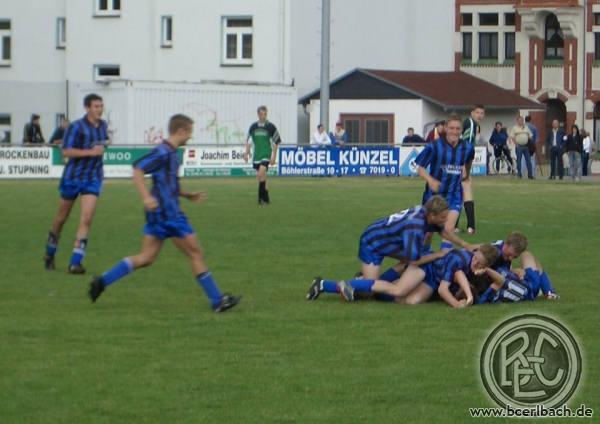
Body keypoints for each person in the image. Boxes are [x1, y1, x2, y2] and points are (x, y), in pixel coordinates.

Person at [88, 115, 240, 312]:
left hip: (158, 214)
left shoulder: (172, 154)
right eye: (189, 133)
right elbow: (137, 169)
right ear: (181, 131)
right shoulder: (163, 151)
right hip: (170, 214)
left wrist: (186, 195)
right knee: (195, 253)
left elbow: (167, 184)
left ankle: (102, 280)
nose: (190, 138)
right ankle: (217, 301)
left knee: (146, 258)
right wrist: (145, 197)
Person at [305, 196, 476, 302]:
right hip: (373, 243)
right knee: (368, 293)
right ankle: (322, 284)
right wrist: (440, 253)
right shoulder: (415, 226)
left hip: (389, 242)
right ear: (432, 215)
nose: (445, 220)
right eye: (443, 217)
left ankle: (360, 280)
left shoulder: (425, 215)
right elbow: (415, 260)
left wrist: (465, 245)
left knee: (406, 262)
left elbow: (445, 233)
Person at [43, 94, 108, 273]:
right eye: (96, 106)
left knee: (86, 219)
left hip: (93, 178)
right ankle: (49, 252)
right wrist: (91, 152)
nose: (100, 109)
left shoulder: (103, 126)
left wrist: (100, 150)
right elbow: (66, 152)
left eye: (101, 106)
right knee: (61, 218)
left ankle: (75, 262)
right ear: (87, 108)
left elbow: (101, 146)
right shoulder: (76, 127)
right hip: (73, 178)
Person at [415, 115, 475, 249]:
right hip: (433, 196)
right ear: (446, 128)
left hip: (454, 194)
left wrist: (467, 173)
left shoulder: (467, 147)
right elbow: (419, 168)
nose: (454, 131)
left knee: (448, 231)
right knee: (428, 233)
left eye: (458, 129)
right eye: (451, 128)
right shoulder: (434, 146)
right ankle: (424, 258)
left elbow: (469, 160)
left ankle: (444, 264)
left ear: (461, 130)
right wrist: (430, 180)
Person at [476, 251, 558, 304]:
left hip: (523, 287)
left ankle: (548, 292)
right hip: (529, 287)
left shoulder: (489, 291)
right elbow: (500, 281)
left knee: (527, 260)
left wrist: (515, 271)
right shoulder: (491, 290)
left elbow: (506, 274)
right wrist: (486, 270)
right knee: (526, 255)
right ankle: (550, 292)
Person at [244, 106, 281, 205]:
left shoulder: (270, 126)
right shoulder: (253, 127)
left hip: (266, 154)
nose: (263, 116)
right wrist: (246, 153)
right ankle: (266, 197)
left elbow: (276, 142)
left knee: (260, 174)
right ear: (258, 114)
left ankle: (261, 199)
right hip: (257, 155)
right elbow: (248, 141)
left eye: (264, 114)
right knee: (261, 177)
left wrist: (273, 157)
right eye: (261, 114)